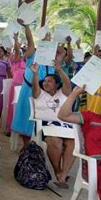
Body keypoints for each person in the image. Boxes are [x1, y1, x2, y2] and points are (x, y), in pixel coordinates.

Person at [30, 60, 75, 188]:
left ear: (57, 85)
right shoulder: (39, 94)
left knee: (73, 143)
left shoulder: (63, 93)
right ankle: (58, 171)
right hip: (46, 126)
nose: (46, 83)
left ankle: (63, 174)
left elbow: (67, 82)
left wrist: (59, 70)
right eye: (44, 81)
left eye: (50, 81)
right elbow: (35, 86)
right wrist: (35, 74)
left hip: (64, 126)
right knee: (56, 142)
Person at [11, 19, 41, 148]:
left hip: (43, 93)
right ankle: (26, 145)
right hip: (28, 90)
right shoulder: (33, 55)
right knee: (25, 116)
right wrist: (27, 27)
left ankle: (36, 145)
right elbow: (31, 43)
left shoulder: (53, 61)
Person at [6, 32, 27, 134]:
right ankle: (9, 127)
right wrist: (16, 40)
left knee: (21, 108)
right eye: (24, 51)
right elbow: (18, 52)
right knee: (12, 107)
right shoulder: (17, 60)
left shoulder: (31, 62)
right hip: (16, 85)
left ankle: (19, 128)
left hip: (25, 87)